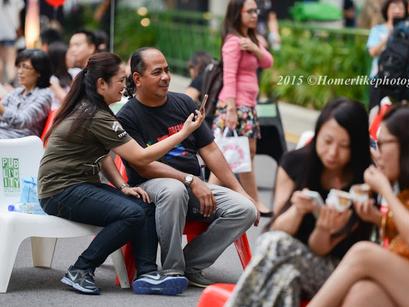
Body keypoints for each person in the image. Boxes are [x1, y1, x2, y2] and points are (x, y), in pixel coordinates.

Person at [38, 51, 204, 295]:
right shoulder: (95, 115)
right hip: (60, 191)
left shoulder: (98, 110)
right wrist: (183, 133)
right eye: (121, 80)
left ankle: (147, 274)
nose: (125, 86)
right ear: (101, 84)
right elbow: (140, 156)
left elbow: (104, 154)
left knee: (143, 203)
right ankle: (81, 269)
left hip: (78, 186)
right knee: (132, 214)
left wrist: (122, 186)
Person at [117, 47, 258, 288]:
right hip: (151, 188)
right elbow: (145, 166)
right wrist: (191, 181)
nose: (166, 77)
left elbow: (211, 150)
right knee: (174, 190)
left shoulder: (183, 103)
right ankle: (173, 271)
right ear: (138, 79)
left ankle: (190, 263)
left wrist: (240, 190)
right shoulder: (128, 116)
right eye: (157, 72)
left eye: (167, 70)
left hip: (194, 186)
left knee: (245, 209)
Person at [226, 99, 378, 307]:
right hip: (289, 263)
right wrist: (297, 210)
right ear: (317, 135)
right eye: (327, 141)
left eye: (344, 146)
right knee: (285, 274)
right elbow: (277, 227)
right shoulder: (295, 164)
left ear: (358, 146)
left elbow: (323, 249)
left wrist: (325, 229)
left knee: (274, 245)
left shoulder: (365, 180)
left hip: (342, 274)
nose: (333, 153)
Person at [309, 104, 409, 307]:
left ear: (405, 143)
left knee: (363, 253)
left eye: (382, 145)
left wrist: (386, 191)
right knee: (363, 294)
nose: (377, 156)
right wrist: (376, 218)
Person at [212, 0, 274, 216]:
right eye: (250, 11)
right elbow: (229, 77)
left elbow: (268, 62)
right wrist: (231, 110)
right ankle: (220, 198)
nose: (255, 15)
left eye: (256, 11)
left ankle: (222, 197)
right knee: (230, 155)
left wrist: (255, 48)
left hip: (248, 106)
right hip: (235, 106)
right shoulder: (233, 42)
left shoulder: (251, 40)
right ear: (238, 13)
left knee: (242, 154)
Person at [0, 49, 52, 139]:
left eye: (26, 67)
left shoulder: (44, 96)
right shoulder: (16, 92)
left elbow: (22, 121)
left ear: (39, 72)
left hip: (18, 143)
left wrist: (1, 109)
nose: (20, 71)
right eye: (19, 66)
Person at [367, 0, 408, 110]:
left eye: (400, 8)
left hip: (401, 80)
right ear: (387, 10)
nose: (397, 11)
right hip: (379, 78)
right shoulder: (377, 29)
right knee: (375, 111)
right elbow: (373, 52)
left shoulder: (408, 31)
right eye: (393, 7)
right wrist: (388, 37)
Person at [0, 0, 24, 84]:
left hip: (1, 32)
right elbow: (18, 18)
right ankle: (10, 84)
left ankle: (1, 85)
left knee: (1, 61)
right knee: (10, 61)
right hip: (10, 33)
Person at [47, 42, 72, 109]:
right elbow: (67, 101)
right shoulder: (52, 80)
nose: (72, 58)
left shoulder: (72, 73)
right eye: (69, 55)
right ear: (60, 59)